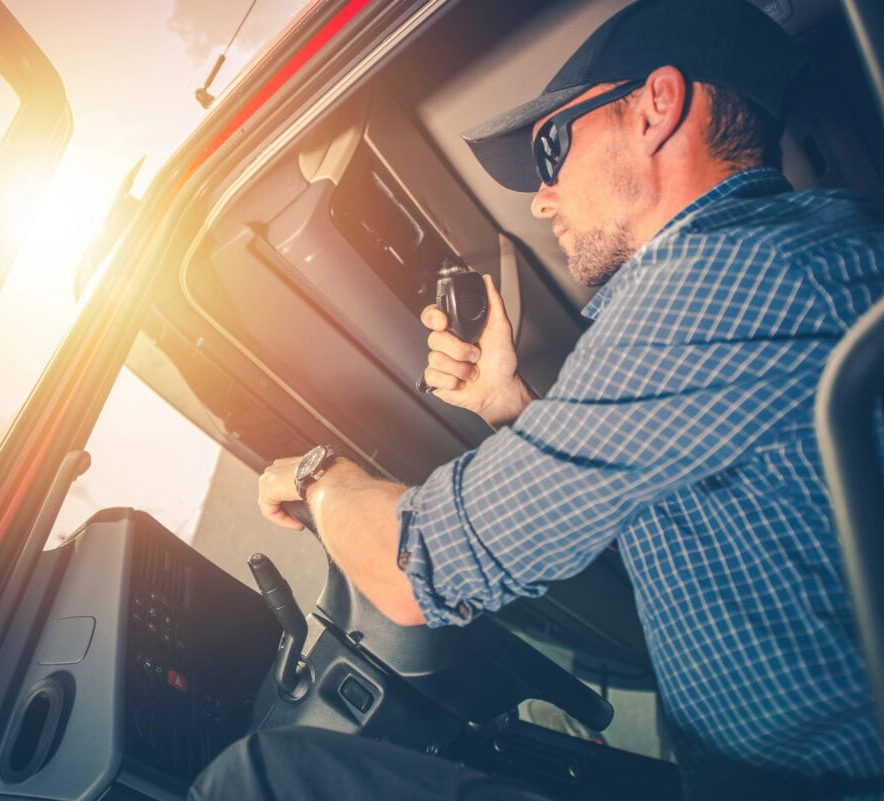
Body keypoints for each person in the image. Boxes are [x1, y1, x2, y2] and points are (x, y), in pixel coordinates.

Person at [192, 0, 884, 798]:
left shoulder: (697, 293)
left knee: (254, 780)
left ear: (657, 107)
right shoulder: (801, 250)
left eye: (554, 148)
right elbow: (689, 505)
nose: (543, 198)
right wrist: (508, 406)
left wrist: (315, 472)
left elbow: (416, 569)